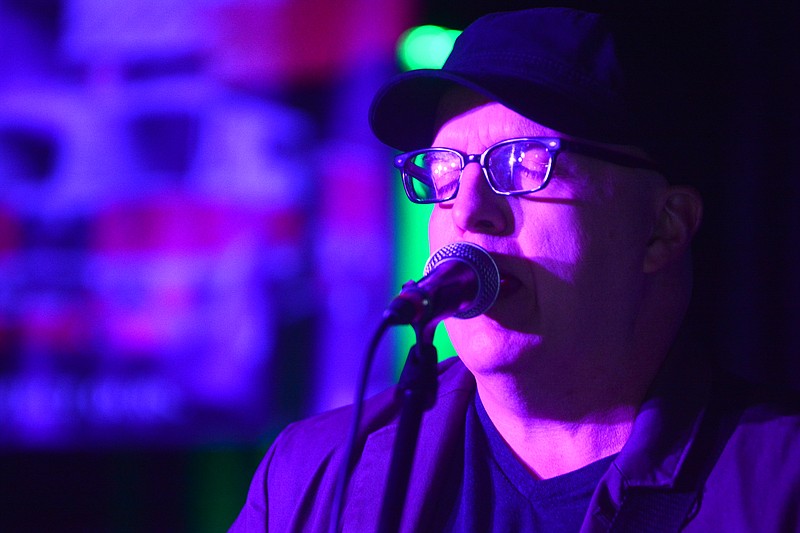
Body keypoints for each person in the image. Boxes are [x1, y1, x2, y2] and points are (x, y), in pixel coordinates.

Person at [231, 8, 800, 532]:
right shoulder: (312, 477)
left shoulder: (778, 485)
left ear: (663, 228)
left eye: (526, 162)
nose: (468, 211)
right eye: (443, 172)